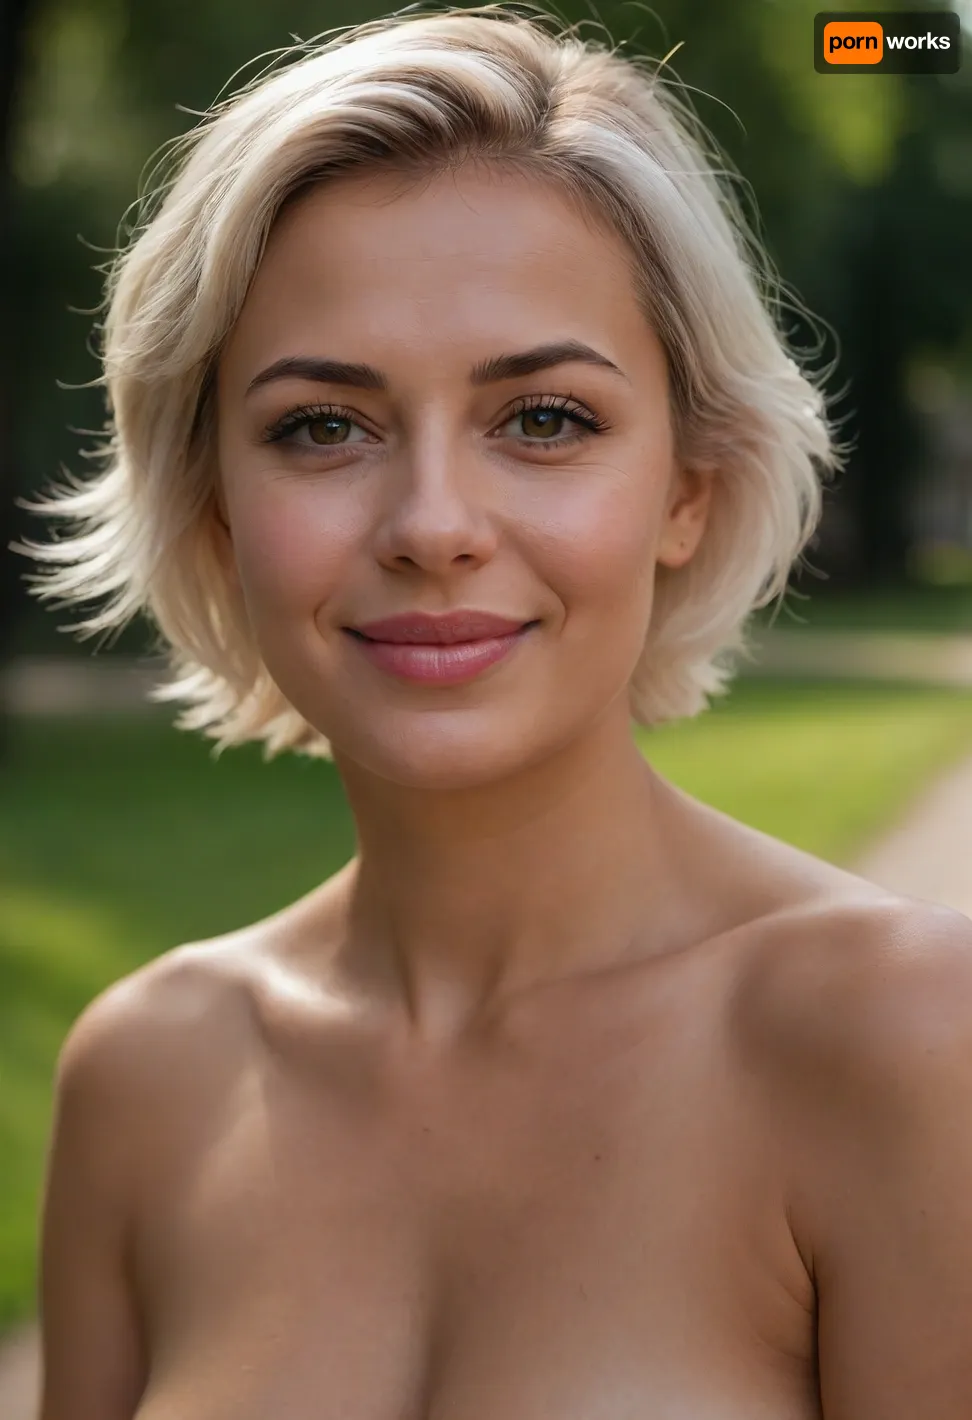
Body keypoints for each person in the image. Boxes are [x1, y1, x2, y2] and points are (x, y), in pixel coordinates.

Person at [22, 7, 972, 1418]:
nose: (432, 526)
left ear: (689, 487)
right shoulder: (146, 1079)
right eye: (322, 427)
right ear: (215, 508)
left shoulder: (910, 1042)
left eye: (543, 419)